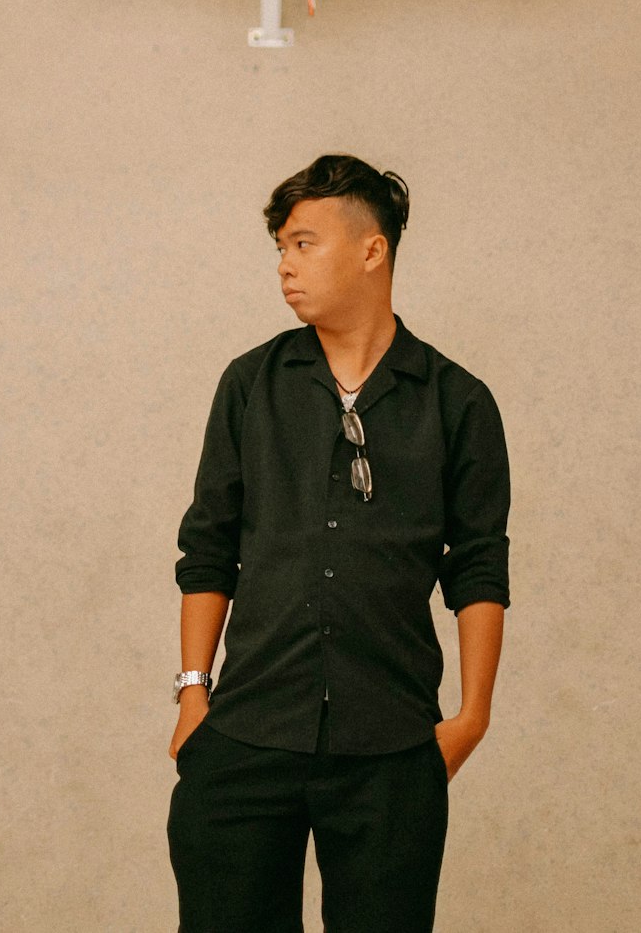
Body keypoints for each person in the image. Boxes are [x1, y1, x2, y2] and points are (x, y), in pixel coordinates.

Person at [167, 154, 511, 933]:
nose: (285, 267)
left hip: (390, 747)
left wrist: (473, 715)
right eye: (281, 248)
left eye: (303, 244)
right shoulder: (251, 384)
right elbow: (209, 547)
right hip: (247, 733)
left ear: (371, 250)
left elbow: (480, 563)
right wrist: (194, 694)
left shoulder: (457, 403)